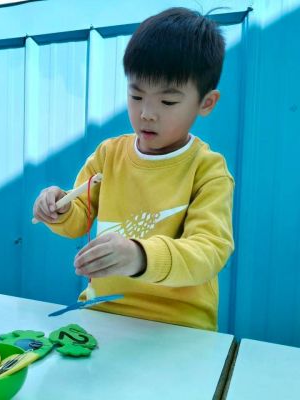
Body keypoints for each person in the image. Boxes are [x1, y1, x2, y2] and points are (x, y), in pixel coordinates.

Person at [33, 7, 234, 331]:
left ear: (206, 103)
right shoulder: (109, 154)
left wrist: (139, 255)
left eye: (168, 102)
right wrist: (59, 208)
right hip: (101, 315)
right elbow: (79, 217)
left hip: (179, 327)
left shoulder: (207, 170)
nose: (147, 113)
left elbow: (208, 251)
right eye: (136, 95)